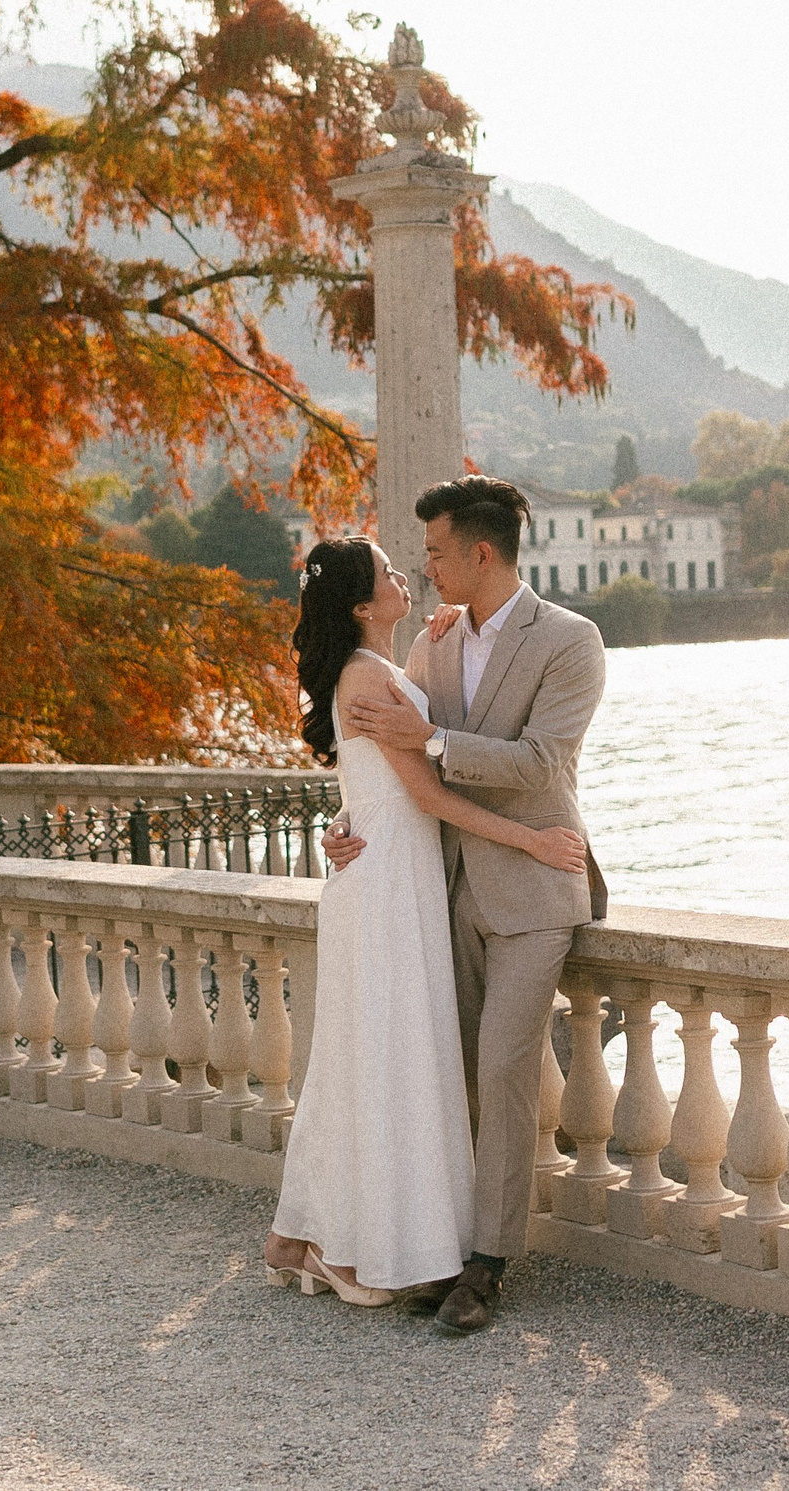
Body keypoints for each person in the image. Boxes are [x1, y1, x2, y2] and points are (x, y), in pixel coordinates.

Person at [262, 535, 588, 1308]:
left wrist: (339, 821)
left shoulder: (374, 670)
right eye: (387, 573)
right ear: (363, 604)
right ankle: (349, 1245)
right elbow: (430, 796)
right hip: (387, 888)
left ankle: (301, 1233)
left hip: (383, 875)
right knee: (381, 1061)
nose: (406, 573)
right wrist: (534, 840)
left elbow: (372, 775)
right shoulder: (370, 678)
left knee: (360, 1059)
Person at [325, 475, 608, 1337]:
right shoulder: (433, 646)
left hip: (534, 888)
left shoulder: (572, 640)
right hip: (442, 889)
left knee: (507, 1067)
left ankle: (487, 1264)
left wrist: (437, 738)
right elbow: (391, 768)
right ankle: (438, 1245)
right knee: (454, 1071)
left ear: (481, 552)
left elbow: (541, 762)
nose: (428, 567)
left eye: (438, 551)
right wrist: (341, 822)